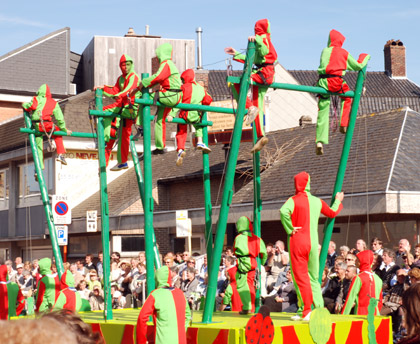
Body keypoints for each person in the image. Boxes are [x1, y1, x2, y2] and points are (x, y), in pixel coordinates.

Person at [280, 171, 344, 320]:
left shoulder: (293, 200)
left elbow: (283, 211)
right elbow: (332, 212)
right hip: (313, 244)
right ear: (308, 183)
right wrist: (338, 200)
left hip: (298, 241)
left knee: (300, 277)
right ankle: (318, 308)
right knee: (314, 278)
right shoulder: (317, 201)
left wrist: (290, 227)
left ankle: (306, 310)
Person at [225, 19, 277, 153]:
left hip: (264, 74)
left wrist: (257, 39)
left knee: (236, 82)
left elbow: (264, 50)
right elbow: (251, 59)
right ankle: (261, 135)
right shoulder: (264, 39)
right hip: (265, 73)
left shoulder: (263, 38)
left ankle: (249, 107)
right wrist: (236, 53)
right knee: (257, 104)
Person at [315, 29, 370, 155]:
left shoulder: (324, 51)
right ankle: (343, 123)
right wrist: (364, 57)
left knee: (322, 108)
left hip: (323, 82)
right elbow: (357, 66)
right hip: (337, 83)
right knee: (347, 98)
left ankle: (320, 140)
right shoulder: (344, 52)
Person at [131, 43, 182, 155]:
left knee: (142, 98)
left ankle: (140, 124)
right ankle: (160, 146)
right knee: (159, 120)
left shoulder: (166, 64)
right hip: (174, 96)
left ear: (161, 55)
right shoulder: (170, 64)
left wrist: (141, 84)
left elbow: (158, 77)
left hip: (170, 95)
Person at [95, 54, 141, 171]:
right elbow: (115, 89)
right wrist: (103, 88)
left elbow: (129, 89)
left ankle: (118, 158)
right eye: (123, 65)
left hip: (129, 108)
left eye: (127, 64)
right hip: (121, 107)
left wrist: (118, 95)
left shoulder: (133, 77)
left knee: (123, 136)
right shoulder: (120, 78)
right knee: (120, 134)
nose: (125, 67)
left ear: (131, 65)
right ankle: (116, 161)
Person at [22, 84, 72, 170]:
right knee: (57, 133)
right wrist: (64, 128)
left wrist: (24, 105)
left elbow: (31, 106)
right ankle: (60, 154)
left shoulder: (36, 99)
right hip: (47, 125)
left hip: (37, 125)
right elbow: (60, 118)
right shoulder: (54, 102)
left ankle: (39, 167)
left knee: (38, 145)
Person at [136, 265, 191, 344]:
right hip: (181, 340)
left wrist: (141, 341)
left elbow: (142, 318)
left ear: (157, 278)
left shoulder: (155, 294)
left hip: (162, 340)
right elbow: (187, 316)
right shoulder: (180, 293)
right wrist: (181, 330)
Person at [172, 69, 213, 166]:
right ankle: (199, 141)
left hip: (185, 114)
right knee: (199, 126)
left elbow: (177, 101)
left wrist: (171, 114)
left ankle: (180, 149)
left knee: (181, 131)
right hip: (196, 114)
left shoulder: (182, 88)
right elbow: (208, 100)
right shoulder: (200, 88)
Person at [233, 216, 267, 314]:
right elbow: (264, 253)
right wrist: (261, 263)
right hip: (253, 263)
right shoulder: (257, 239)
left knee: (243, 285)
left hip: (243, 263)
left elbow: (235, 250)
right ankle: (250, 307)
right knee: (250, 285)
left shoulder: (238, 238)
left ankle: (247, 307)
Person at [341, 250, 383, 315]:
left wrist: (343, 315)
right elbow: (380, 301)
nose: (355, 261)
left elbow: (350, 298)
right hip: (375, 316)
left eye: (357, 259)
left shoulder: (358, 278)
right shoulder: (378, 279)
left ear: (362, 261)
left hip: (360, 314)